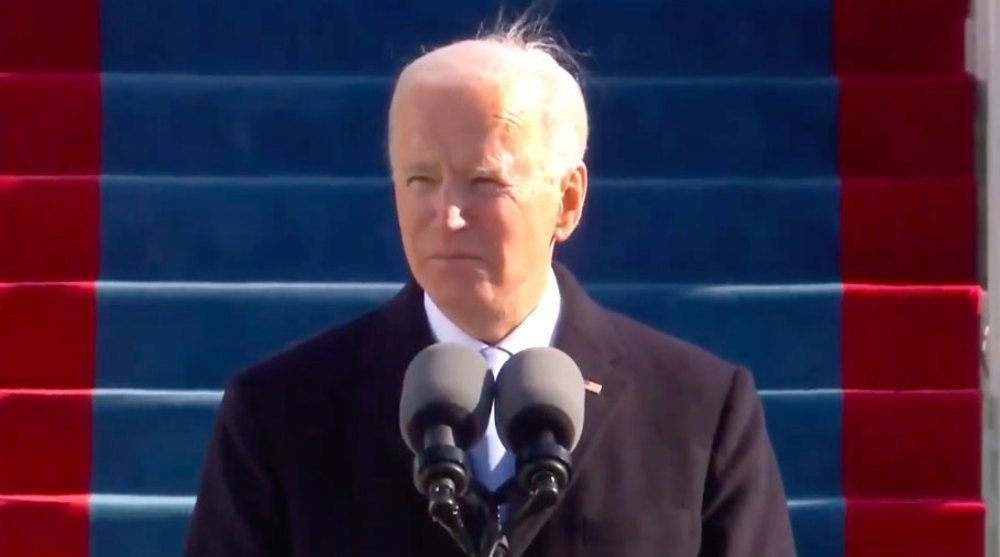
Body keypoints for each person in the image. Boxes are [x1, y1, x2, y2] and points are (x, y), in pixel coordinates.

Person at [181, 19, 797, 557]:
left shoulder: (699, 410)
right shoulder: (280, 414)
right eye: (420, 179)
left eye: (483, 182)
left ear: (568, 200)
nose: (447, 214)